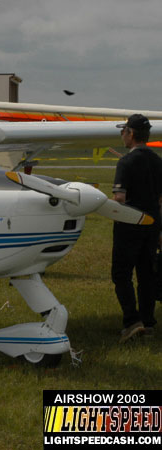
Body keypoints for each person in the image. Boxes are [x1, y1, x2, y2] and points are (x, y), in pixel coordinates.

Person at [112, 114, 162, 342]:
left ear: (130, 133)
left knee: (121, 274)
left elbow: (120, 198)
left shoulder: (126, 162)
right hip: (153, 224)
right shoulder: (158, 161)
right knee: (147, 274)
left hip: (130, 224)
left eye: (123, 130)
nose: (122, 134)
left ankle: (132, 321)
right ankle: (148, 322)